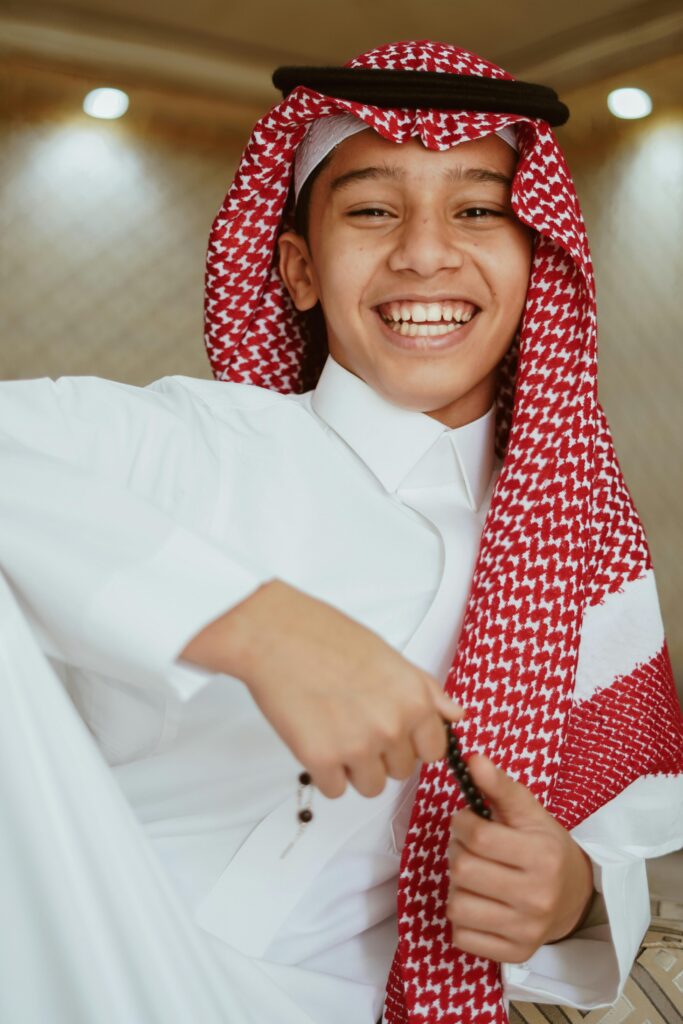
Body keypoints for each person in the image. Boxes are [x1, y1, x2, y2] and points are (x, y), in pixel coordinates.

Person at [1, 39, 681, 1024]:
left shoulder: (586, 549)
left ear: (538, 263)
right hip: (82, 947)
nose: (422, 251)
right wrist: (251, 624)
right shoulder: (181, 443)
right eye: (370, 209)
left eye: (477, 210)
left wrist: (568, 892)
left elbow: (616, 845)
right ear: (298, 268)